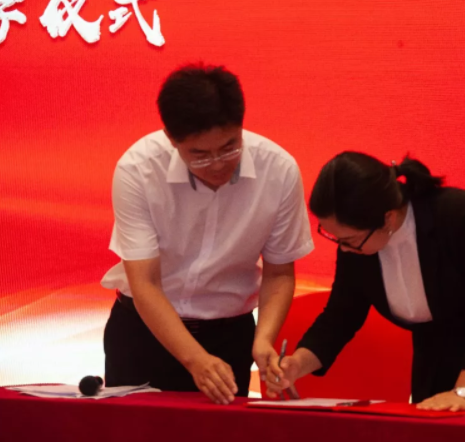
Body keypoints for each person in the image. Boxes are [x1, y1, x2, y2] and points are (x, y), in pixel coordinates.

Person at [266, 152, 465, 413]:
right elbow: (340, 316)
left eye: (349, 240)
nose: (343, 249)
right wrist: (297, 364)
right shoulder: (359, 244)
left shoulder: (458, 215)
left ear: (387, 218)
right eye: (335, 238)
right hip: (438, 367)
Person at [101, 63, 314, 405]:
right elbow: (145, 284)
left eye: (229, 147)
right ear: (171, 139)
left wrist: (263, 340)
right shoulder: (138, 169)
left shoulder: (279, 170)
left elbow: (279, 272)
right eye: (199, 154)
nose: (217, 164)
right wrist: (195, 360)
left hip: (229, 336)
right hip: (143, 332)